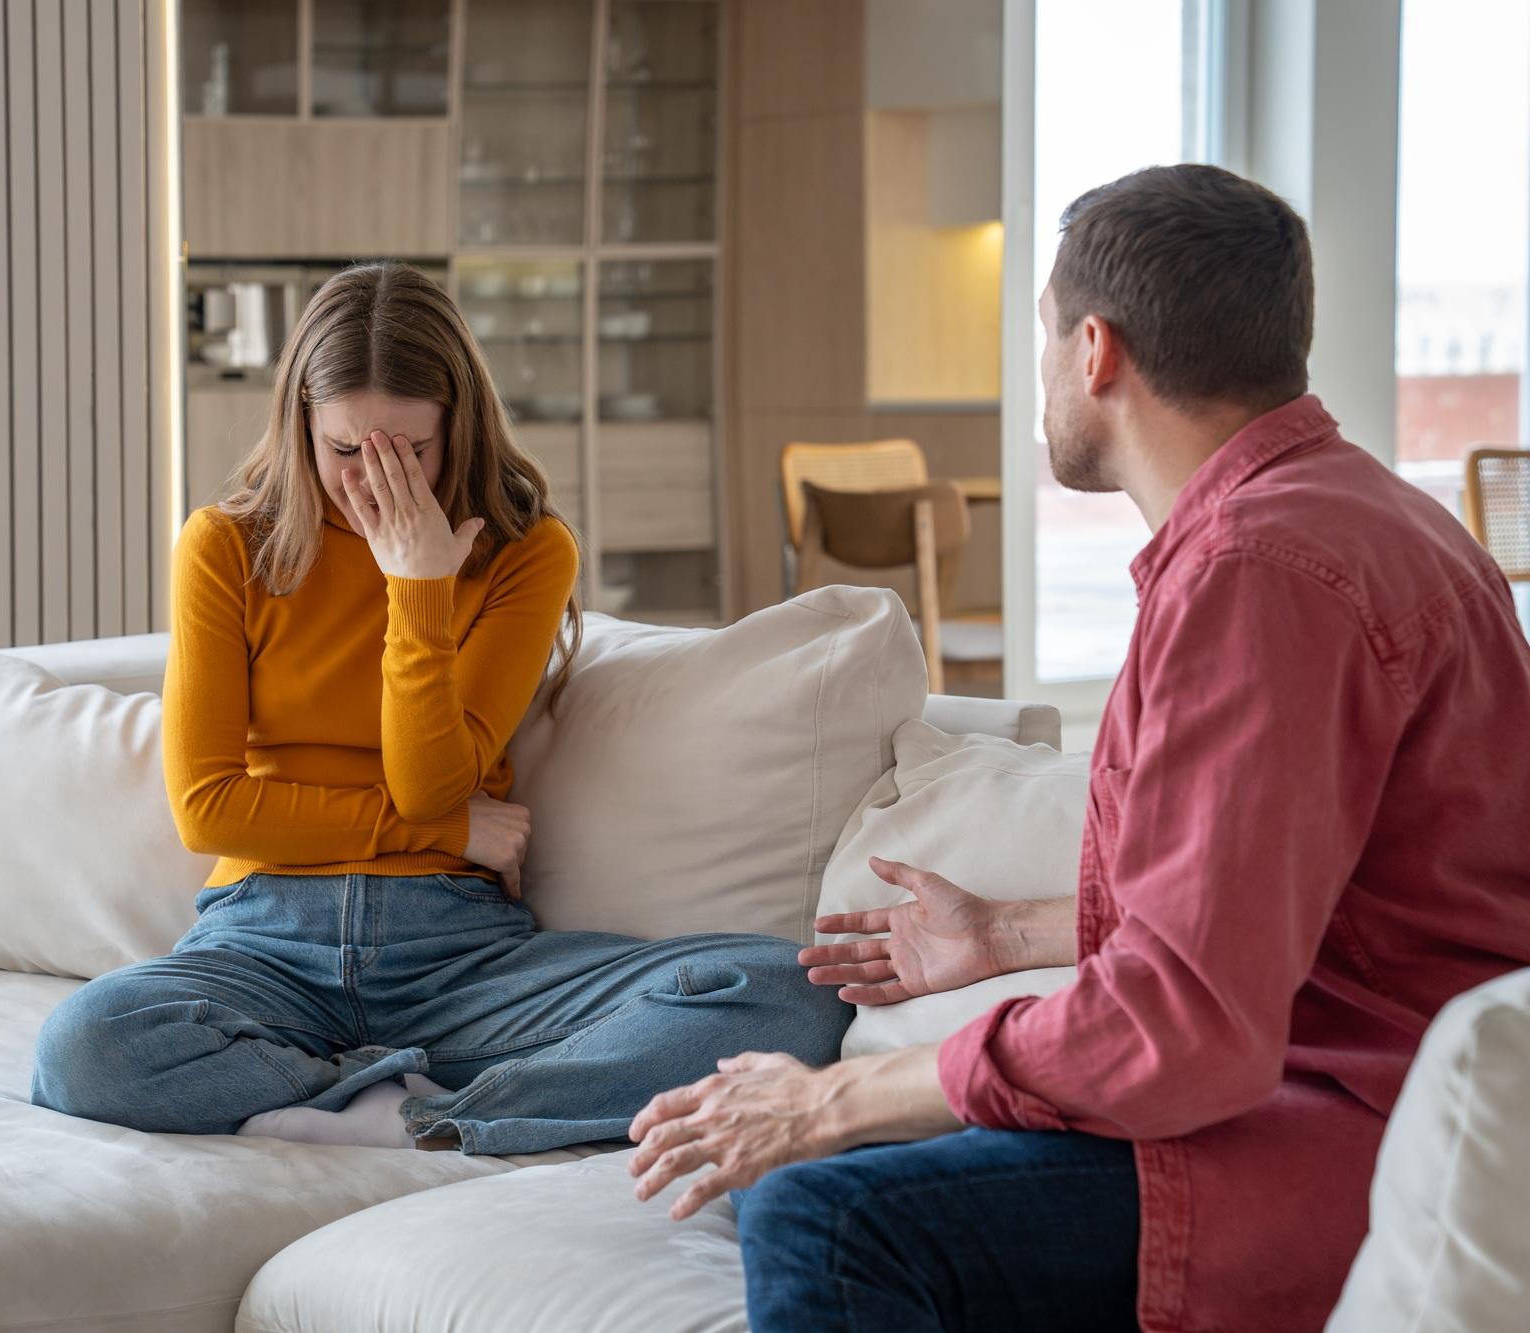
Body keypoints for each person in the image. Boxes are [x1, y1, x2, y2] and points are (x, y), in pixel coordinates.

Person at [625, 163, 1530, 1331]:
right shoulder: (1373, 513)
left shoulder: (1255, 576)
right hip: (1358, 1090)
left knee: (822, 1209)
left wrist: (834, 1098)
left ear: (1094, 351)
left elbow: (1182, 1029)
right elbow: (1291, 898)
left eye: (1042, 338)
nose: (1041, 374)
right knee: (799, 1185)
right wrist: (1002, 933)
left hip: (1343, 1132)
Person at [28, 262, 850, 1155]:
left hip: (457, 950)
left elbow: (430, 783)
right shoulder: (227, 545)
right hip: (266, 937)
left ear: (457, 428)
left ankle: (422, 1115)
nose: (373, 480)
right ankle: (387, 1096)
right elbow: (210, 808)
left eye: (408, 450)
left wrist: (417, 584)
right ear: (299, 424)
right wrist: (455, 831)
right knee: (86, 1047)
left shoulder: (526, 551)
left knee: (787, 989)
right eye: (345, 450)